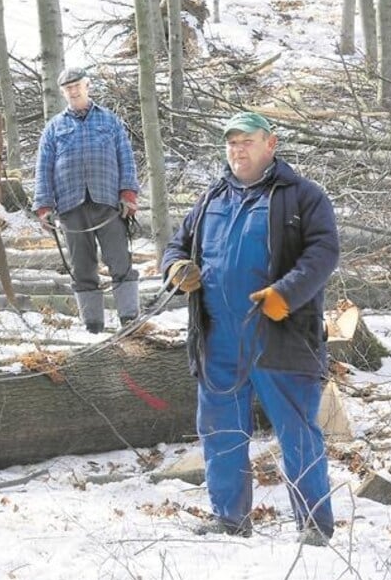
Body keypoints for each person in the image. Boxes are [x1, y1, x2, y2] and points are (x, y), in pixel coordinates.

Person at [161, 111, 339, 546]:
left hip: (280, 333)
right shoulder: (212, 197)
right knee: (220, 428)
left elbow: (324, 252)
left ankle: (315, 525)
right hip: (217, 334)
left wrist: (287, 294)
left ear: (270, 144)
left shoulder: (302, 196)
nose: (237, 150)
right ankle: (230, 518)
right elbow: (175, 245)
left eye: (247, 141)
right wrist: (176, 268)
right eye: (231, 143)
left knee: (297, 431)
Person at [33, 67, 140, 334]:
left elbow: (126, 158)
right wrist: (44, 206)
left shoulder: (110, 121)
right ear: (63, 92)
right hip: (70, 205)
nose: (73, 90)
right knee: (82, 266)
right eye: (68, 87)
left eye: (77, 85)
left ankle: (130, 319)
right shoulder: (54, 128)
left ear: (87, 85)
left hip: (108, 203)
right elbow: (43, 168)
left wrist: (128, 193)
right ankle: (92, 325)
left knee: (119, 261)